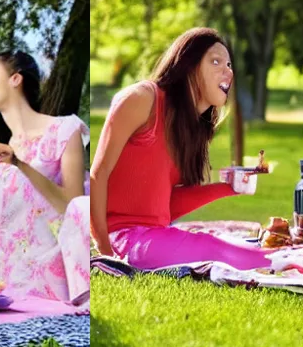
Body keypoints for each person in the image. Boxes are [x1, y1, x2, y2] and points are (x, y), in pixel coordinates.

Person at [88, 28, 272, 271]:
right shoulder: (142, 99)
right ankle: (292, 262)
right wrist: (105, 251)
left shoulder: (191, 129)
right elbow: (98, 175)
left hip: (155, 236)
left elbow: (164, 206)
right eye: (216, 61)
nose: (228, 71)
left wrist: (228, 188)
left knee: (231, 245)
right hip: (126, 241)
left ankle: (291, 257)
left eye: (229, 64)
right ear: (188, 65)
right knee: (214, 249)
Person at [0, 51, 91, 301]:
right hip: (8, 283)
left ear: (15, 79)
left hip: (55, 280)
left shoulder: (64, 130)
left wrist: (21, 164)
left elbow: (74, 207)